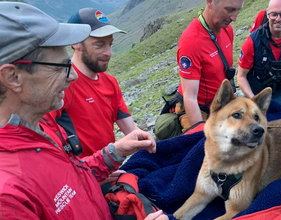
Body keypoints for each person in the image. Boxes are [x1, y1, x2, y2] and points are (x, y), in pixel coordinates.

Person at [0, 2, 167, 220]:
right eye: (61, 67)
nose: (73, 76)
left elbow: (68, 176)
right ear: (13, 77)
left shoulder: (39, 129)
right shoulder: (8, 197)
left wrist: (113, 153)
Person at [54, 8, 154, 157]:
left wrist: (148, 142)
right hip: (78, 174)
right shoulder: (63, 84)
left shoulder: (110, 82)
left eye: (110, 44)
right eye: (99, 45)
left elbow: (131, 130)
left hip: (109, 168)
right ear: (76, 43)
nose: (108, 53)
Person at [175, 0, 244, 131]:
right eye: (229, 10)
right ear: (210, 2)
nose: (234, 18)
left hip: (221, 103)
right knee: (201, 148)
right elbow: (190, 97)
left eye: (237, 10)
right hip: (199, 108)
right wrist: (201, 134)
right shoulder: (191, 41)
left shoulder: (227, 30)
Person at [237, 0, 281, 110]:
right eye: (274, 14)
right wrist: (254, 100)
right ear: (268, 14)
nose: (278, 19)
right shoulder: (253, 41)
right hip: (256, 93)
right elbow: (241, 76)